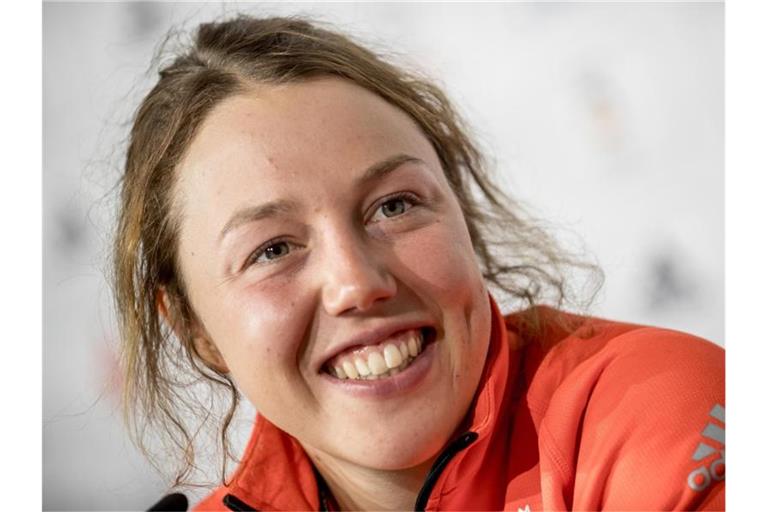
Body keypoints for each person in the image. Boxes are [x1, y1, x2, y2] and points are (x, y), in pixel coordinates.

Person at [113, 15, 725, 511]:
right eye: (272, 249)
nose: (356, 284)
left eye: (394, 205)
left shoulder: (659, 409)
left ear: (461, 214)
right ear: (194, 330)